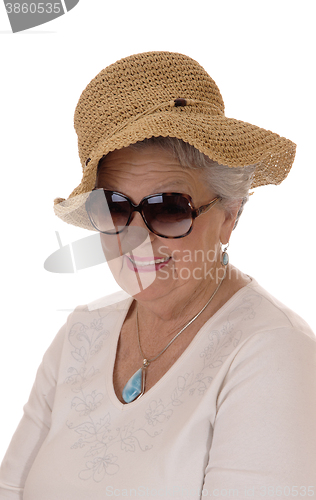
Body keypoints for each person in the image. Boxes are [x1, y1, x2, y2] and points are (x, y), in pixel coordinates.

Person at [0, 51, 315, 500]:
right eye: (113, 208)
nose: (135, 240)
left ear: (230, 214)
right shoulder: (81, 333)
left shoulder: (273, 353)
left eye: (168, 208)